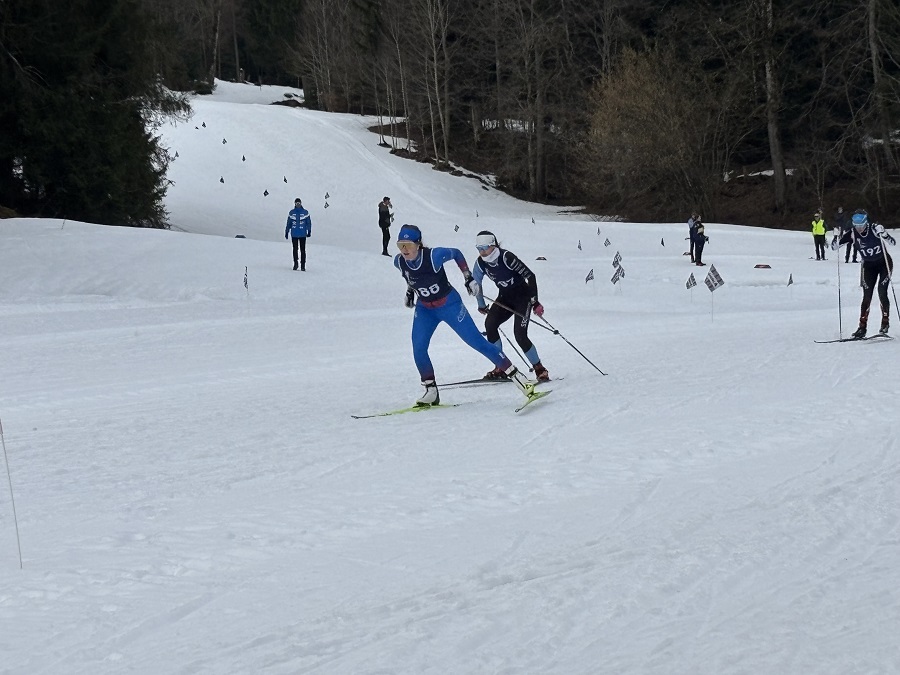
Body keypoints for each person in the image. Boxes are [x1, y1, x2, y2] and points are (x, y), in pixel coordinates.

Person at [393, 224, 536, 405]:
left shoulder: (434, 256)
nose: (404, 250)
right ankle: (431, 391)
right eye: (400, 245)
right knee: (418, 348)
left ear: (418, 244)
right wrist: (410, 292)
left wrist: (468, 277)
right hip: (425, 309)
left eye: (408, 245)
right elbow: (411, 276)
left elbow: (457, 253)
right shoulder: (398, 261)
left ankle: (519, 379)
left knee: (477, 342)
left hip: (449, 305)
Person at [471, 231, 550, 381]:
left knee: (520, 335)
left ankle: (539, 368)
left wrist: (535, 301)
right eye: (479, 248)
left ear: (493, 245)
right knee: (490, 325)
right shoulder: (480, 263)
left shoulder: (507, 257)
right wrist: (481, 304)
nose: (482, 252)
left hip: (523, 299)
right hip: (504, 298)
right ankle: (500, 367)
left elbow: (530, 276)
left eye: (485, 248)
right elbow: (476, 284)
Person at [831, 209, 896, 337]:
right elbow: (834, 247)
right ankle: (862, 328)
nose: (859, 228)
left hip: (884, 264)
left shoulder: (874, 229)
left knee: (882, 291)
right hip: (868, 267)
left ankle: (885, 323)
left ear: (866, 222)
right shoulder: (852, 233)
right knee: (866, 296)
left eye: (861, 225)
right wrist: (835, 236)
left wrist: (884, 234)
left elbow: (892, 243)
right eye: (856, 226)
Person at [284, 197, 312, 271]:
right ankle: (295, 264)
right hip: (294, 234)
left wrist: (309, 231)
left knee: (303, 250)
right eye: (296, 203)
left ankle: (303, 265)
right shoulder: (291, 212)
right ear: (295, 204)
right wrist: (287, 231)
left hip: (302, 234)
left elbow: (308, 222)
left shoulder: (305, 212)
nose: (298, 204)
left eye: (299, 203)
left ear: (301, 203)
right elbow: (289, 223)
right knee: (295, 249)